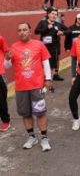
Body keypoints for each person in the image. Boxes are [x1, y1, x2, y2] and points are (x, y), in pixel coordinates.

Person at [4, 22, 53, 151]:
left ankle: (44, 138)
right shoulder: (13, 47)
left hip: (36, 86)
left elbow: (46, 62)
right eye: (19, 30)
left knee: (40, 113)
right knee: (26, 114)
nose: (22, 32)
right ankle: (32, 137)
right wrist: (7, 58)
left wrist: (48, 78)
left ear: (30, 31)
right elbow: (7, 66)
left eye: (24, 29)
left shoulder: (39, 45)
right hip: (21, 87)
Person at [34, 7, 68, 82]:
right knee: (44, 64)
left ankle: (50, 83)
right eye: (52, 14)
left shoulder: (58, 24)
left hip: (54, 48)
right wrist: (47, 28)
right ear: (48, 14)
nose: (54, 16)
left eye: (55, 14)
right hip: (44, 47)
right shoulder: (42, 23)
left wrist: (62, 33)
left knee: (52, 66)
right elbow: (36, 31)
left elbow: (69, 30)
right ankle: (42, 81)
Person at [0, 35, 10, 131]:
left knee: (2, 99)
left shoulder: (0, 38)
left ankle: (6, 121)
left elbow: (7, 51)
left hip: (0, 72)